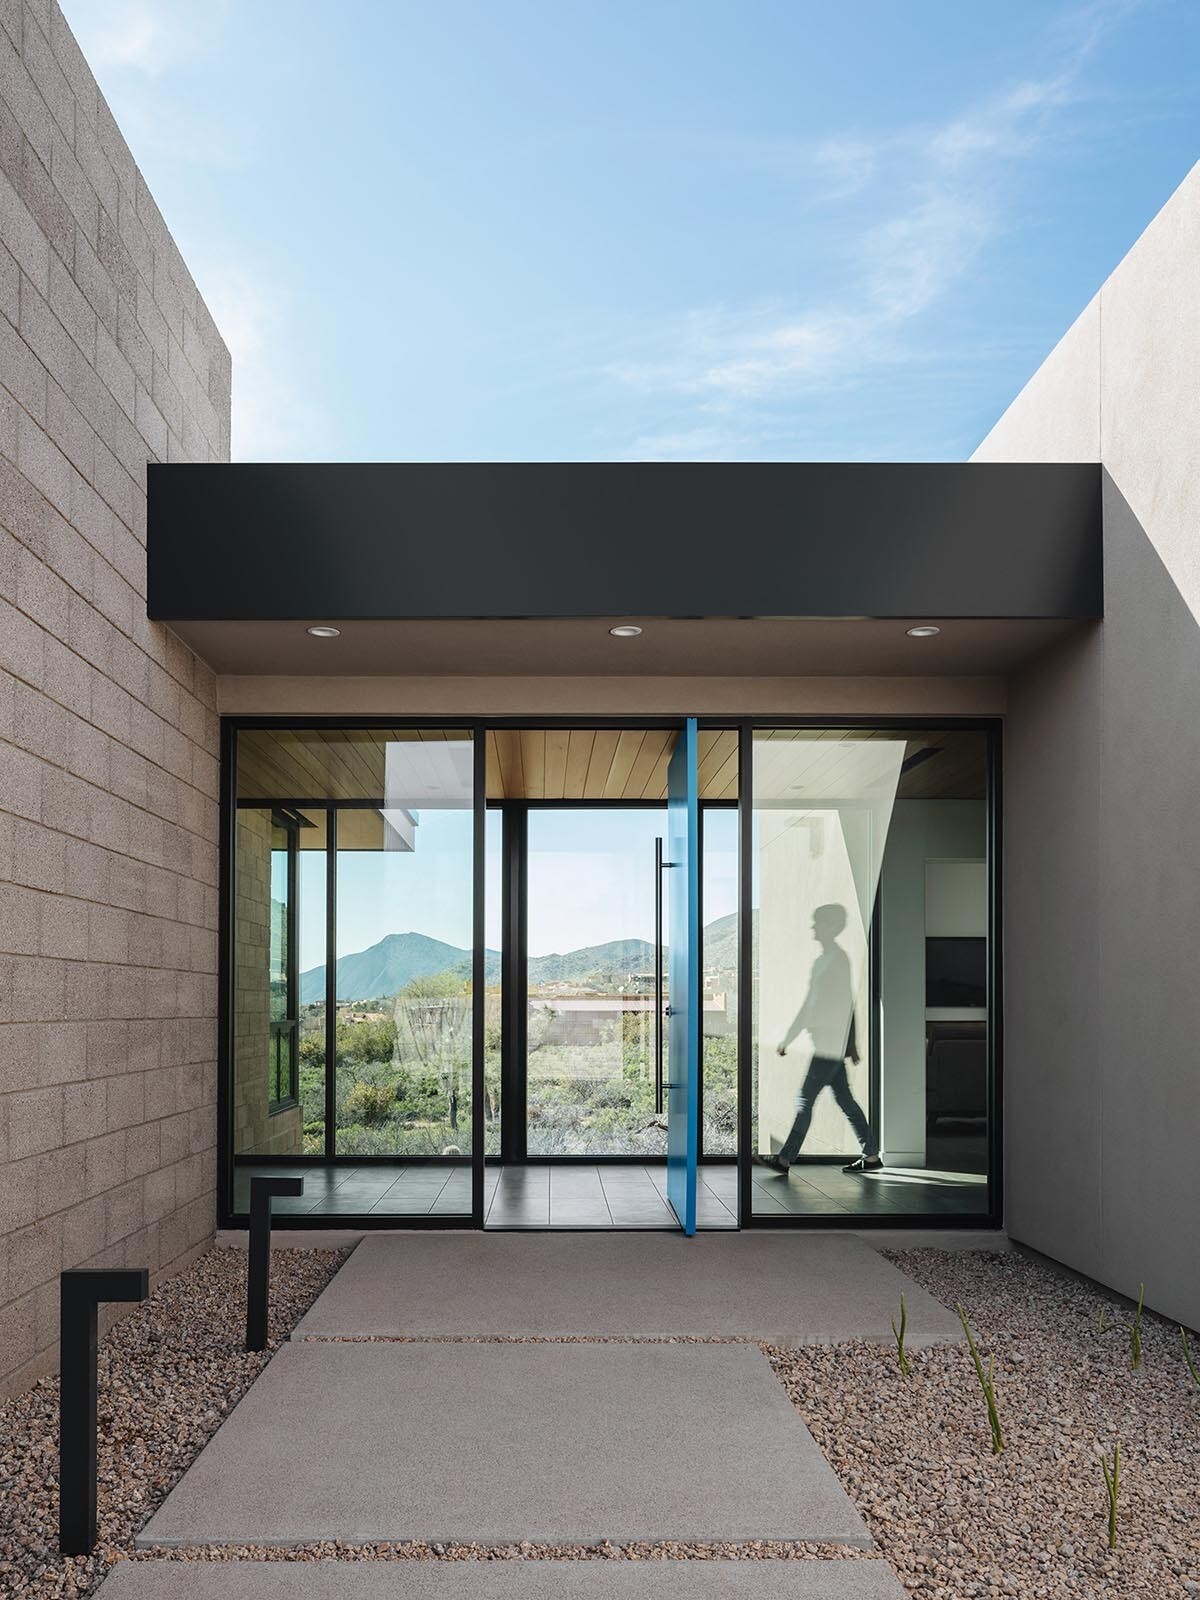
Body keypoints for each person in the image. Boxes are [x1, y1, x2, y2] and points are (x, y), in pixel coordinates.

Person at [758, 902, 882, 1176]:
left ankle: (785, 1159)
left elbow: (845, 1004)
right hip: (828, 1043)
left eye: (818, 923)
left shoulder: (837, 960)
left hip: (829, 1044)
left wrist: (850, 1044)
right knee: (846, 1101)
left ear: (831, 927)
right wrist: (790, 1037)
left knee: (805, 1100)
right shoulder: (824, 960)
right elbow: (810, 1005)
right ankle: (871, 1155)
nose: (814, 927)